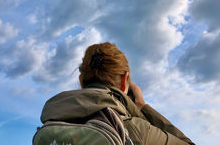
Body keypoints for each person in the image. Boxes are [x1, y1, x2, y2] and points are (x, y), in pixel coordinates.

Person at [37, 42, 195, 145]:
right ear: (124, 80)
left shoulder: (51, 125)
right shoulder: (135, 129)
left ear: (81, 80)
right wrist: (142, 107)